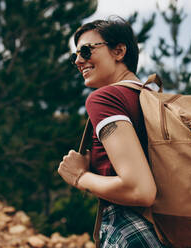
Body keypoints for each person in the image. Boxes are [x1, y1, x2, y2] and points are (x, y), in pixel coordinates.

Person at [58, 17, 165, 248]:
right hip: (168, 230)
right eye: (74, 55)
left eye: (85, 51)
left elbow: (140, 190)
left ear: (119, 51)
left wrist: (79, 177)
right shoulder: (153, 101)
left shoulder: (105, 99)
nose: (78, 60)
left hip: (133, 233)